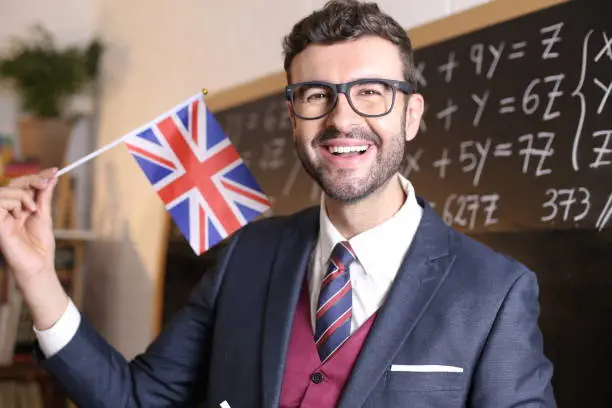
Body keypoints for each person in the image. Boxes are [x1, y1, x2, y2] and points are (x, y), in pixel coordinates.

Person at [0, 0, 556, 407]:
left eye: (370, 93)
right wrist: (38, 274)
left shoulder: (496, 291)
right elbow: (138, 400)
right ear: (294, 119)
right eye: (317, 96)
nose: (342, 119)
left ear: (411, 114)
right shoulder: (247, 255)